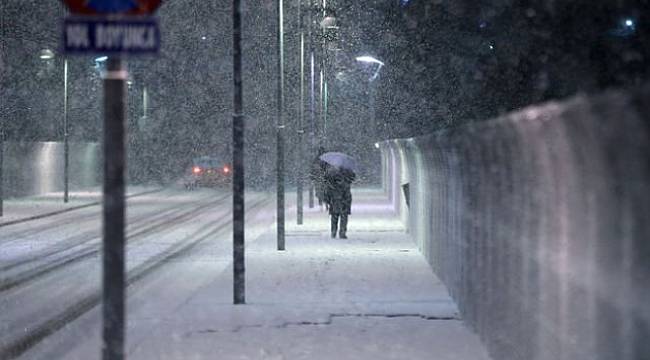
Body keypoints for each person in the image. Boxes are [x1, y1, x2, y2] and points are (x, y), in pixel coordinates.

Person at [324, 166, 355, 239]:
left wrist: (328, 200)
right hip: (343, 201)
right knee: (343, 217)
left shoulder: (331, 178)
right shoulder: (347, 178)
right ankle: (342, 232)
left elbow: (328, 192)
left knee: (334, 217)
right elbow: (352, 179)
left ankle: (334, 232)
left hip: (335, 201)